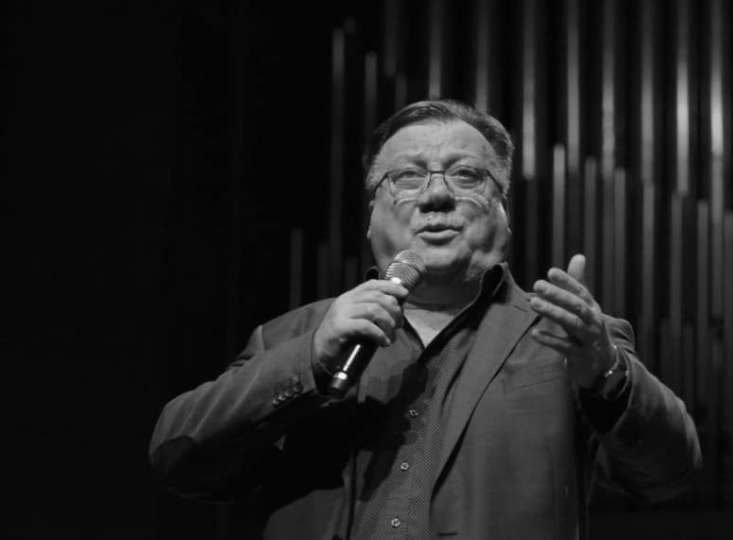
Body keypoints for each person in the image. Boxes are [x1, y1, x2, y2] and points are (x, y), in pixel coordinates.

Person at [150, 99, 702, 539]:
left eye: (467, 175)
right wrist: (310, 359)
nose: (436, 195)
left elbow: (668, 474)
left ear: (504, 214)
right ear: (371, 216)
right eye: (407, 177)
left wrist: (608, 376)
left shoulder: (570, 337)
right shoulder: (294, 336)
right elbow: (179, 458)